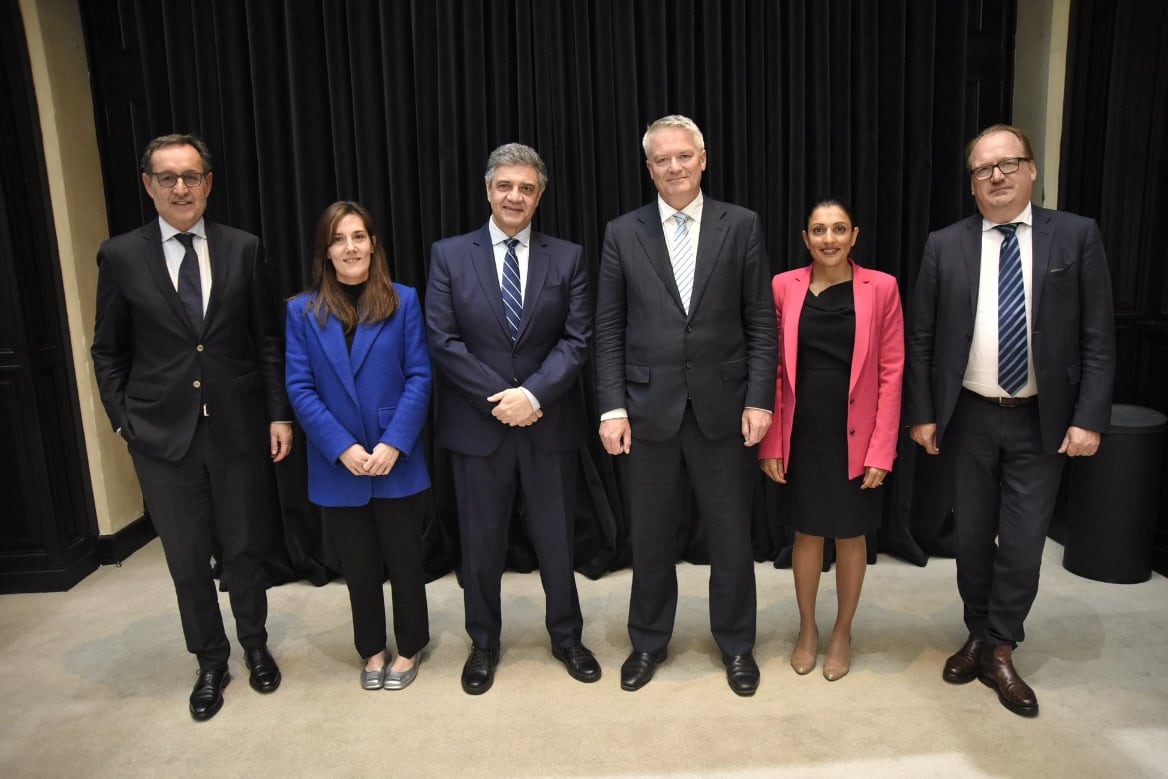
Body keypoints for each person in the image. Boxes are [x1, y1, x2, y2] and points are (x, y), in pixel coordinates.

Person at [906, 124, 1115, 716]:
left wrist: (1089, 417)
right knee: (970, 538)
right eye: (982, 169)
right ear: (971, 184)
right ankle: (977, 630)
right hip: (967, 417)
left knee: (1023, 543)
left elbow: (1098, 337)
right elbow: (921, 339)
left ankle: (1001, 645)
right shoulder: (944, 245)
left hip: (1041, 421)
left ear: (1030, 171)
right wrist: (922, 415)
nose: (995, 176)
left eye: (1007, 164)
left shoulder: (1075, 236)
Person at [91, 133, 292, 721]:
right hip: (160, 434)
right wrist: (125, 422)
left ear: (208, 182)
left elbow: (267, 341)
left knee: (247, 547)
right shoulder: (121, 255)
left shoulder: (244, 249)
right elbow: (108, 351)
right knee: (184, 557)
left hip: (238, 426)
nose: (182, 187)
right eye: (168, 177)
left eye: (192, 176)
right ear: (148, 185)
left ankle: (255, 646)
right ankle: (210, 659)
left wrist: (278, 413)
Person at [594, 114, 778, 696]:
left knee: (730, 537)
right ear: (649, 168)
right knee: (650, 538)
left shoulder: (741, 226)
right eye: (661, 159)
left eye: (683, 156)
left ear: (702, 159)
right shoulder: (623, 232)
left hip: (724, 408)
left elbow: (760, 322)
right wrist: (611, 407)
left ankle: (737, 646)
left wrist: (759, 398)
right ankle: (648, 641)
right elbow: (608, 328)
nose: (673, 167)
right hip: (648, 410)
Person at [426, 143, 598, 695]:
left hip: (547, 423)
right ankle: (484, 642)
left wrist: (534, 396)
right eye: (505, 186)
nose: (515, 196)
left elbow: (577, 340)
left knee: (555, 539)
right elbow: (443, 340)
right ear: (487, 189)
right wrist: (505, 397)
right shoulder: (449, 255)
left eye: (526, 188)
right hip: (480, 425)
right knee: (481, 543)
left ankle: (567, 637)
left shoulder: (567, 257)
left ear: (539, 195)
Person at [285, 201, 431, 691]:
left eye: (359, 237)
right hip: (338, 463)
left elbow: (419, 376)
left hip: (395, 457)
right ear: (326, 251)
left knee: (406, 561)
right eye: (339, 239)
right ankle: (372, 649)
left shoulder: (403, 300)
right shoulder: (301, 312)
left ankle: (409, 647)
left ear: (373, 244)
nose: (350, 247)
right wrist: (341, 447)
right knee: (359, 566)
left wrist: (395, 443)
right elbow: (300, 387)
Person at [758, 199, 904, 682]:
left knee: (850, 534)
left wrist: (882, 448)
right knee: (805, 532)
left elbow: (890, 372)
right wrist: (772, 443)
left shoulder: (881, 287)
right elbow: (773, 372)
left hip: (856, 436)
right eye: (818, 230)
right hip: (802, 432)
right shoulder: (783, 286)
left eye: (839, 229)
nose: (829, 239)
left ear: (855, 235)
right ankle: (807, 629)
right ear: (805, 238)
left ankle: (842, 631)